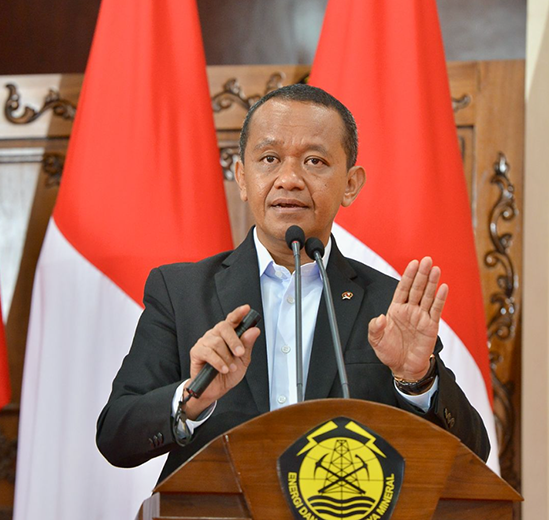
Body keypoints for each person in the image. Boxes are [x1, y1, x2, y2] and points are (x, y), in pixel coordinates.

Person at [96, 84, 490, 483]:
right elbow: (116, 436)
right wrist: (193, 397)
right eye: (269, 159)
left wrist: (417, 379)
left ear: (350, 184)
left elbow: (473, 454)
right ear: (242, 177)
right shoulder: (181, 292)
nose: (289, 179)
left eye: (315, 161)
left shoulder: (389, 305)